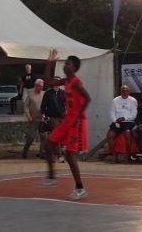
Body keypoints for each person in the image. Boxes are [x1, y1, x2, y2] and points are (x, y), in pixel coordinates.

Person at [42, 49, 91, 201]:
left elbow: (88, 98)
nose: (65, 66)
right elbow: (48, 81)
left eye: (68, 64)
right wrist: (49, 63)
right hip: (67, 120)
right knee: (49, 145)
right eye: (64, 64)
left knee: (70, 156)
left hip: (76, 122)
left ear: (74, 68)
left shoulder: (76, 83)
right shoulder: (66, 81)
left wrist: (77, 115)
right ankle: (51, 178)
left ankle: (80, 188)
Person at [105, 85, 137, 163]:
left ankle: (127, 156)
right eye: (123, 91)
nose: (124, 92)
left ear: (129, 92)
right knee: (109, 135)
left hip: (128, 121)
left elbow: (134, 114)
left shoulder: (133, 100)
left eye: (126, 91)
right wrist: (115, 120)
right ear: (120, 91)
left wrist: (125, 118)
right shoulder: (115, 100)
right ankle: (114, 155)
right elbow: (112, 112)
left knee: (127, 133)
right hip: (117, 122)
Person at [40, 75, 66, 163]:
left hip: (62, 117)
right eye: (55, 83)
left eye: (58, 83)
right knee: (57, 135)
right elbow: (43, 106)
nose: (56, 85)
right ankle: (59, 156)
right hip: (52, 117)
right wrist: (43, 115)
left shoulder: (63, 93)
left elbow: (67, 105)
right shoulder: (47, 93)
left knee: (56, 137)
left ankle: (49, 152)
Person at [21, 79, 46, 159]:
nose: (41, 88)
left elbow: (47, 105)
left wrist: (45, 116)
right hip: (33, 119)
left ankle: (42, 152)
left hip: (42, 119)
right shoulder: (30, 94)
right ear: (36, 86)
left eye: (42, 86)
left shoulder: (44, 94)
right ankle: (25, 151)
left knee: (44, 137)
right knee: (31, 137)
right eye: (39, 86)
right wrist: (28, 116)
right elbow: (26, 107)